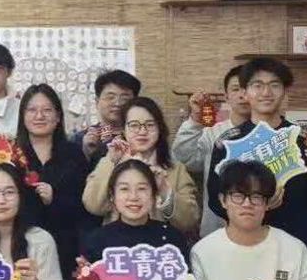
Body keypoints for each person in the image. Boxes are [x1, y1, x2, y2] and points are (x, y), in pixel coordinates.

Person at [206, 58, 307, 269]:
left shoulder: (303, 142)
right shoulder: (229, 144)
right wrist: (256, 206)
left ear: (285, 92)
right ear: (245, 92)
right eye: (257, 85)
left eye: (274, 85)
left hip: (297, 248)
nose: (266, 92)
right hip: (246, 248)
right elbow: (215, 201)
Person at [77, 160, 192, 280]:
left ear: (154, 195)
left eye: (142, 189)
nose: (133, 197)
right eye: (124, 189)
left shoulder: (171, 238)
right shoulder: (96, 240)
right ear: (112, 196)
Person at [15, 83, 96, 280]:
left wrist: (55, 199)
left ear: (58, 116)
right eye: (32, 110)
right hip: (23, 246)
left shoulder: (73, 154)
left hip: (65, 247)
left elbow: (86, 206)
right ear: (23, 116)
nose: (39, 116)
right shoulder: (12, 154)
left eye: (47, 110)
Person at [83, 98, 199, 237]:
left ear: (159, 129)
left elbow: (189, 221)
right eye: (134, 125)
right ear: (124, 130)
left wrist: (164, 190)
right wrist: (112, 163)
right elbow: (93, 205)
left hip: (162, 244)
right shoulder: (110, 161)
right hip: (118, 243)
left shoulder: (175, 169)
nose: (142, 131)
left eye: (150, 125)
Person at [172, 65, 251, 239]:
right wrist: (195, 118)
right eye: (236, 89)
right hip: (216, 231)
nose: (242, 95)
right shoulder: (212, 133)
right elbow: (184, 159)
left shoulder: (272, 135)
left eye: (247, 88)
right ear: (226, 96)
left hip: (260, 228)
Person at [70, 70, 141, 169]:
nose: (117, 103)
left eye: (125, 99)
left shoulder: (142, 137)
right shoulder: (80, 139)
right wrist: (87, 154)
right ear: (97, 102)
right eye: (110, 97)